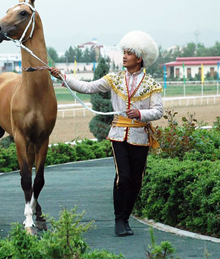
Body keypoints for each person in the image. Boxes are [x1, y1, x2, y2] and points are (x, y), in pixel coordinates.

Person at [50, 30, 163, 236]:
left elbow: (158, 111)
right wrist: (63, 77)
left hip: (140, 137)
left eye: (129, 53)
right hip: (118, 134)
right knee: (124, 176)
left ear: (139, 58)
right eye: (125, 52)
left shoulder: (152, 84)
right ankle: (119, 220)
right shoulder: (114, 78)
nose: (124, 56)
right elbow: (87, 86)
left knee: (136, 180)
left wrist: (140, 113)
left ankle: (126, 218)